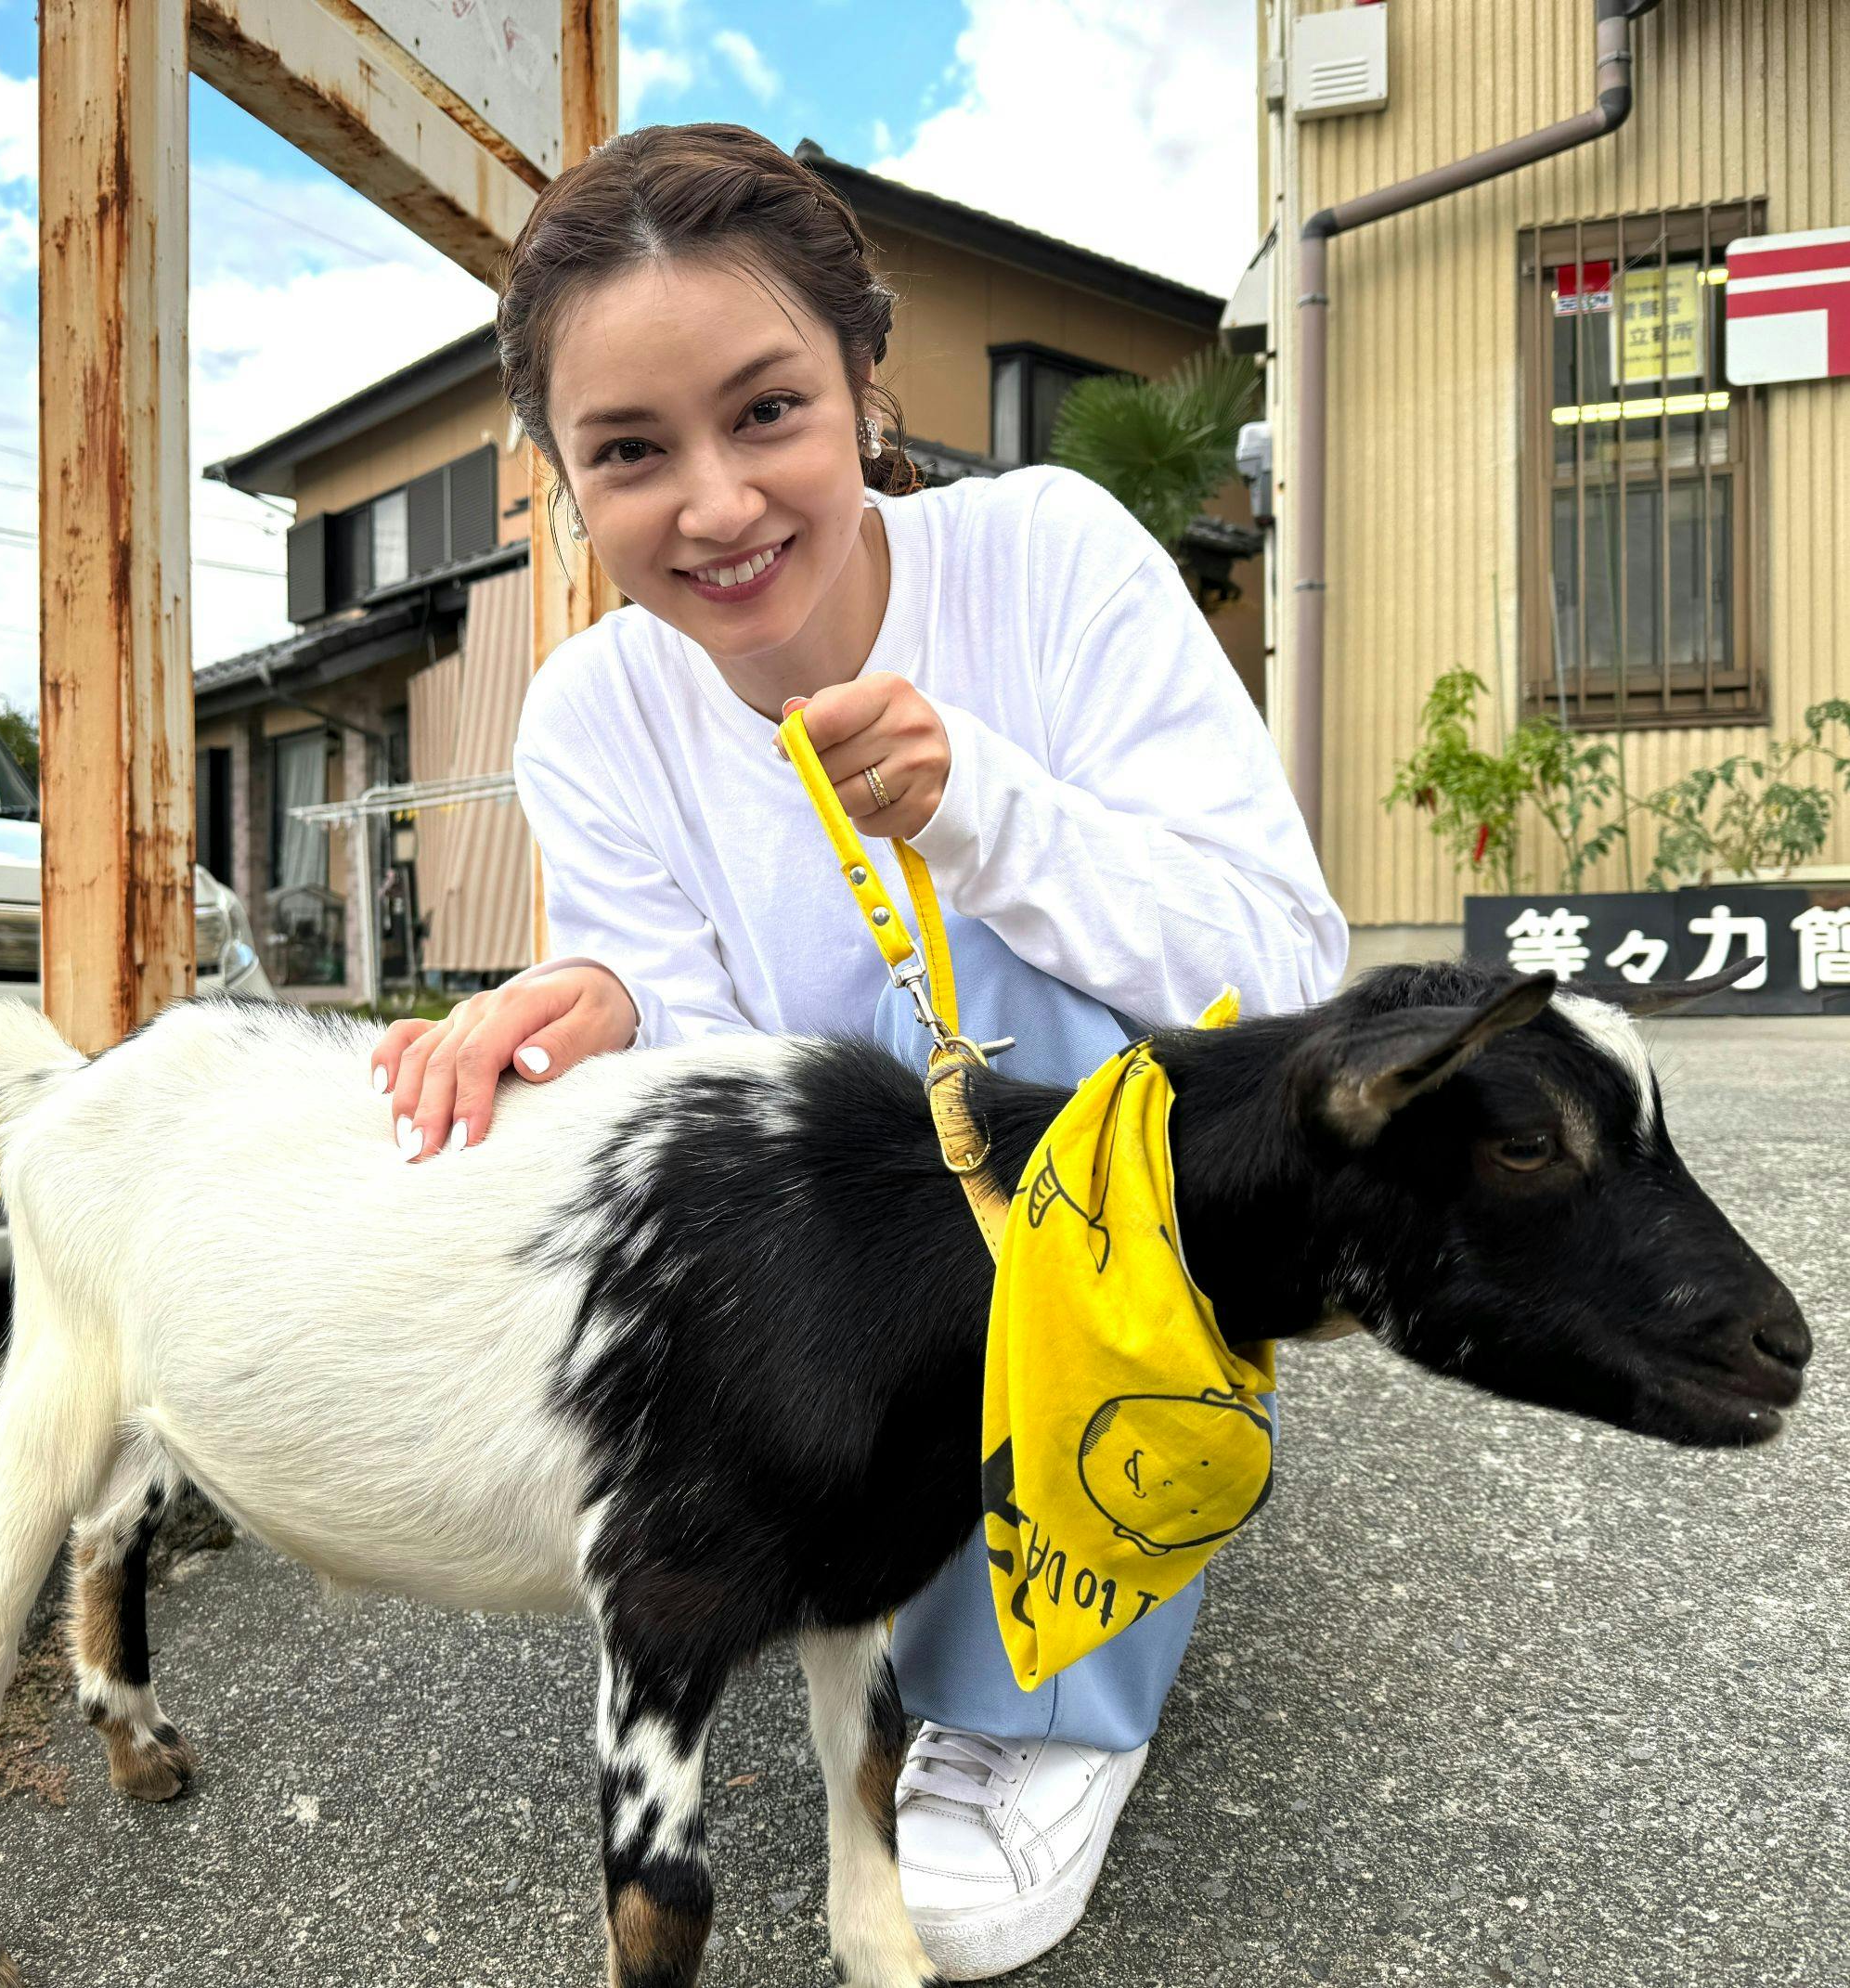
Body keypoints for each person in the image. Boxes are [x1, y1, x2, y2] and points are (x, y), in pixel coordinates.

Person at [371, 123, 1347, 1980]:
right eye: (629, 452)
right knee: (690, 1123)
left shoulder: (1046, 558)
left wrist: (984, 811)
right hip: (878, 1281)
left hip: (1088, 1234)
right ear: (562, 479)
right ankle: (861, 1555)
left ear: (862, 382)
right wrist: (603, 1012)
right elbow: (710, 1067)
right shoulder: (591, 709)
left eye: (767, 412)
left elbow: (1279, 978)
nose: (715, 504)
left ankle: (1045, 1687)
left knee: (1008, 1008)